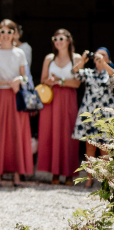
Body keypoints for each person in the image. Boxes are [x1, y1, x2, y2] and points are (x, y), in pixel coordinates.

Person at [0, 19, 32, 187]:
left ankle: (17, 174)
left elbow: (26, 77)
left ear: (14, 34)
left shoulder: (19, 53)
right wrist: (7, 82)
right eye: (3, 31)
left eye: (9, 31)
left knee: (16, 133)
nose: (6, 35)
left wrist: (18, 80)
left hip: (16, 97)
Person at [37, 29, 81, 185]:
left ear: (68, 40)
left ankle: (69, 174)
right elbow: (42, 80)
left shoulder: (76, 58)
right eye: (55, 39)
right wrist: (49, 81)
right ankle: (54, 173)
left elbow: (77, 83)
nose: (58, 41)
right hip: (51, 99)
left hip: (68, 98)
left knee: (68, 133)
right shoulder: (49, 58)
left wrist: (61, 80)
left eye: (61, 38)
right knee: (51, 133)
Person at [74, 49, 114, 187]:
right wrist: (82, 61)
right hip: (90, 115)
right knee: (90, 147)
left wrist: (104, 64)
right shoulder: (89, 73)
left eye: (103, 55)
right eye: (98, 54)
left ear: (108, 59)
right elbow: (75, 73)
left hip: (105, 116)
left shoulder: (110, 72)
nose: (99, 57)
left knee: (105, 148)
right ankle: (89, 178)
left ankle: (106, 180)